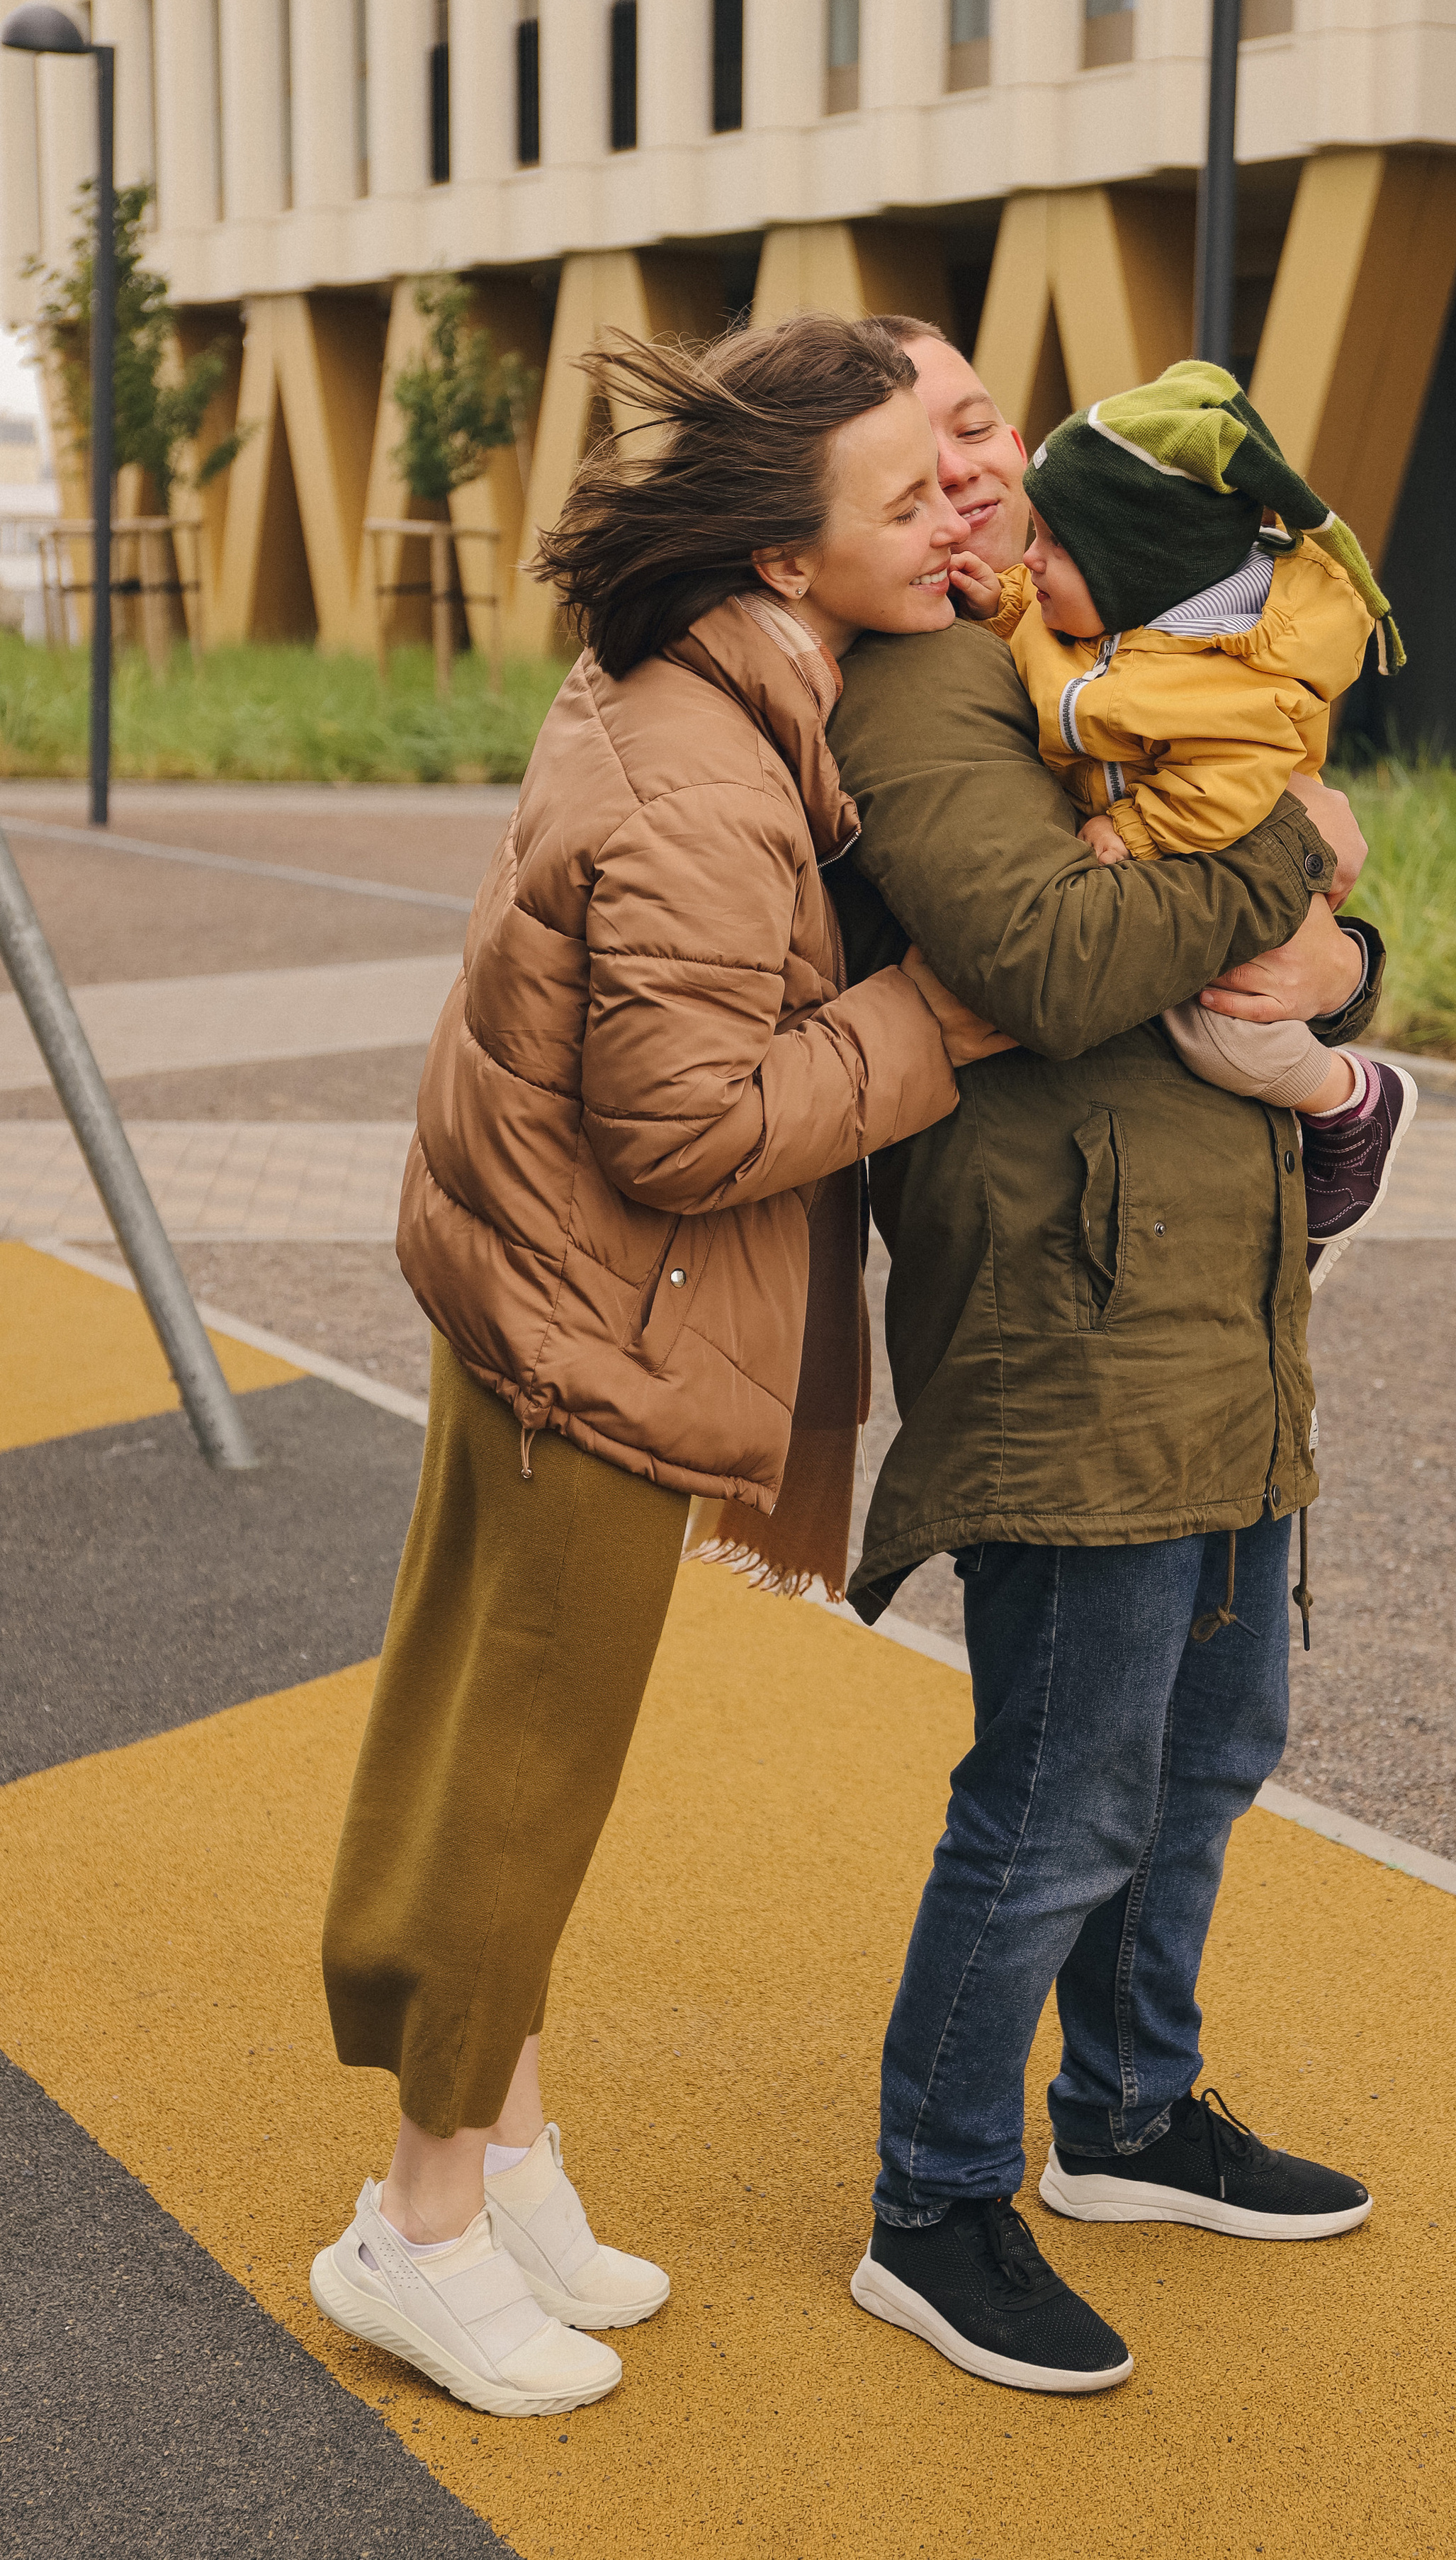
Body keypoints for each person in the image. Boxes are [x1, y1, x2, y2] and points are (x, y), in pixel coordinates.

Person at [310, 314, 1012, 2420]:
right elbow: (689, 1127)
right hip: (586, 1331)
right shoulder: (710, 768)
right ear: (790, 559)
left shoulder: (713, 673)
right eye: (911, 492)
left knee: (506, 1748)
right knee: (517, 1779)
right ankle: (413, 2230)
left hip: (536, 1295)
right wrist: (945, 1026)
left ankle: (506, 2163)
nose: (958, 507)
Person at [818, 322, 1385, 2396]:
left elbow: (1284, 942)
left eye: (992, 427)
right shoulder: (927, 688)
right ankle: (932, 2200)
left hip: (1223, 1309)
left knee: (1215, 1754)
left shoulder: (1116, 647)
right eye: (936, 447)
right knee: (1057, 1797)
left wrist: (1342, 951)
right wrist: (1299, 856)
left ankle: (1130, 2116)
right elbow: (1055, 964)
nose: (981, 474)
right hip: (1066, 1320)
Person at [950, 356, 1418, 1290]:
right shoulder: (1093, 618)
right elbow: (1036, 628)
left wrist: (1137, 835)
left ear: (1138, 571)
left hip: (1215, 856)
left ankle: (1351, 1103)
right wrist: (995, 599)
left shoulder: (1225, 678)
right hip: (1205, 900)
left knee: (1228, 1034)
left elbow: (1233, 789)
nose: (1028, 562)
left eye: (1053, 545)